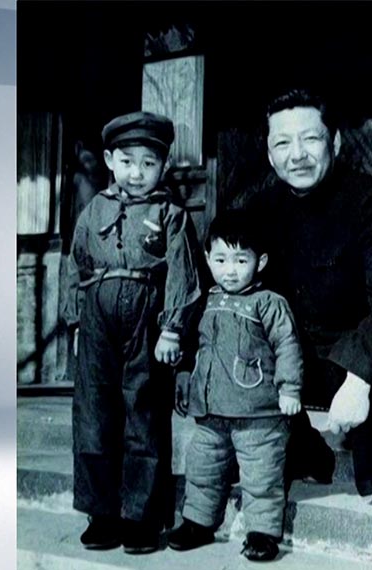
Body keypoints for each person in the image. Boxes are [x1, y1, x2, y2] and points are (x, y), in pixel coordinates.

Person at [247, 89, 372, 513]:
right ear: (269, 154)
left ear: (334, 142)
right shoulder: (260, 212)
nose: (297, 155)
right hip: (312, 355)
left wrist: (358, 381)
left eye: (310, 139)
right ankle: (303, 449)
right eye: (283, 143)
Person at [61, 111, 202, 554]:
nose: (136, 172)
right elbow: (75, 264)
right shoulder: (93, 210)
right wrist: (76, 322)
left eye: (148, 163)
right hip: (97, 320)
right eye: (126, 161)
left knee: (144, 414)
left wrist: (172, 329)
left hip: (147, 320)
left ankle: (141, 518)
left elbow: (182, 274)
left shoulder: (171, 214)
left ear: (164, 166)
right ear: (109, 160)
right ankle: (101, 514)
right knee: (93, 414)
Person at [167, 210, 303, 562]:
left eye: (241, 260)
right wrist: (184, 376)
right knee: (202, 467)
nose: (230, 270)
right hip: (211, 411)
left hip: (257, 413)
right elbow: (194, 346)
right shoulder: (206, 301)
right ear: (208, 258)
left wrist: (289, 388)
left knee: (261, 474)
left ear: (260, 262)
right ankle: (197, 522)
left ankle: (262, 533)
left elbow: (287, 346)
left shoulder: (269, 303)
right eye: (221, 259)